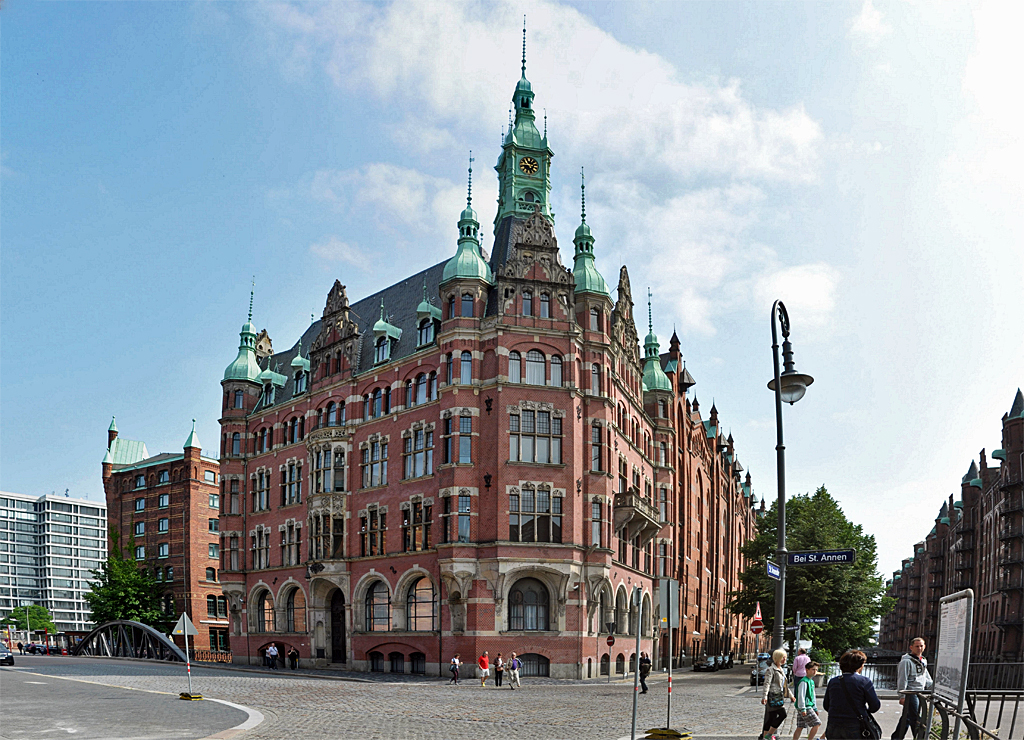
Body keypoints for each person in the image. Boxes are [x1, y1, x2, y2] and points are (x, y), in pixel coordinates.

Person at [823, 650, 881, 739]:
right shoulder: (864, 681)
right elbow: (875, 706)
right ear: (860, 666)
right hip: (855, 724)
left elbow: (826, 705)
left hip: (834, 724)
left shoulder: (833, 681)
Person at [892, 637, 933, 740]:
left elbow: (925, 676)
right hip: (911, 692)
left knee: (907, 717)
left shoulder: (923, 660)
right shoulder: (906, 662)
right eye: (917, 646)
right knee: (914, 717)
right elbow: (902, 678)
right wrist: (902, 695)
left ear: (924, 647)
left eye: (921, 646)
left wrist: (933, 687)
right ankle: (920, 737)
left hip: (920, 691)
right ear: (911, 647)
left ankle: (897, 737)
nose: (919, 648)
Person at [761, 648, 793, 740]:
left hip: (779, 696)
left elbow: (784, 685)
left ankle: (766, 737)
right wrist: (764, 696)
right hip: (773, 696)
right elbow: (767, 683)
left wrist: (791, 696)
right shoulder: (771, 669)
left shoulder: (781, 669)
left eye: (785, 658)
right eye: (783, 658)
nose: (785, 660)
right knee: (782, 714)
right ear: (777, 658)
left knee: (771, 717)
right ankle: (768, 735)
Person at [793, 661, 822, 740]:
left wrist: (815, 708)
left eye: (816, 670)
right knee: (817, 723)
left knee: (800, 727)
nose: (815, 671)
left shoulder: (811, 681)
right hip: (805, 706)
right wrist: (803, 708)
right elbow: (801, 696)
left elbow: (813, 696)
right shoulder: (804, 681)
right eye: (813, 669)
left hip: (807, 706)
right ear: (807, 670)